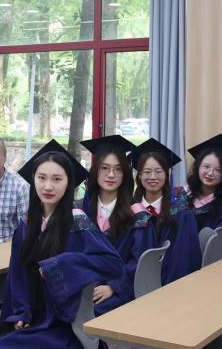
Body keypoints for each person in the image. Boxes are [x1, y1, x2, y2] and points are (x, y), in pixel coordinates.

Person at [0, 139, 124, 349]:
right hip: (33, 316)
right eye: (42, 178)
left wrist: (63, 264)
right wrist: (21, 312)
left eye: (57, 179)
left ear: (68, 183)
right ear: (33, 179)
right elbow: (18, 275)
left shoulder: (77, 222)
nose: (48, 186)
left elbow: (113, 263)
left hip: (65, 322)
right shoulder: (27, 226)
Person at [79, 135, 157, 316]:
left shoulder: (138, 216)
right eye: (105, 168)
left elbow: (140, 261)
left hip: (119, 290)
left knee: (92, 312)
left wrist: (114, 286)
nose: (111, 175)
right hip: (83, 286)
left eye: (118, 169)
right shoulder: (80, 210)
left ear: (124, 174)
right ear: (95, 171)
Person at [130, 138, 201, 284]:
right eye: (147, 172)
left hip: (171, 285)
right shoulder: (132, 210)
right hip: (134, 282)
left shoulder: (180, 212)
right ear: (139, 175)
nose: (153, 177)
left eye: (159, 171)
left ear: (166, 175)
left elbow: (182, 260)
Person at [177, 134, 222, 231]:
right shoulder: (181, 195)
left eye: (218, 170)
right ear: (198, 167)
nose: (210, 173)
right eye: (206, 167)